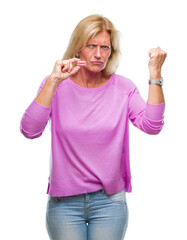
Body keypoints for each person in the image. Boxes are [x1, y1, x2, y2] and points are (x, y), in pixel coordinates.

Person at [20, 14, 167, 240]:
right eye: (91, 46)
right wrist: (52, 81)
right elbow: (30, 130)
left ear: (111, 51)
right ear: (78, 47)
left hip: (109, 203)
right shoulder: (55, 85)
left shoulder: (123, 88)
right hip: (64, 204)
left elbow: (152, 125)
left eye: (105, 47)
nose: (98, 54)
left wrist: (155, 74)